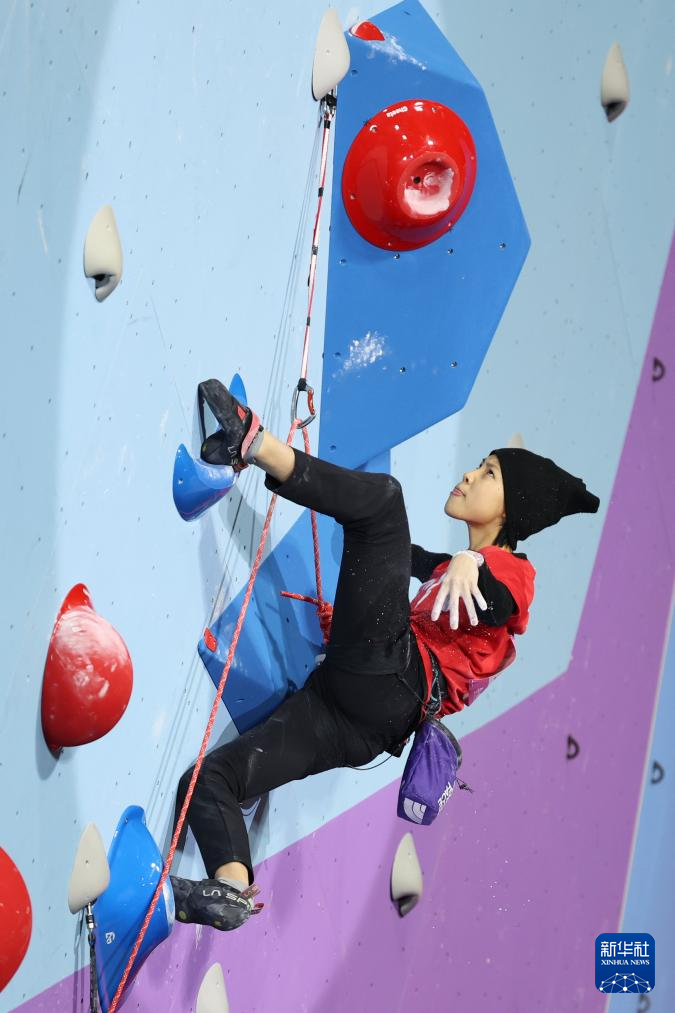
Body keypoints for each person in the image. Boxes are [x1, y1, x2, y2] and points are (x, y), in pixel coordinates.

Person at [170, 379, 600, 931]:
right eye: (479, 464)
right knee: (210, 781)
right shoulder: (447, 569)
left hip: (391, 683)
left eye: (490, 472)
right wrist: (354, 621)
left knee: (384, 503)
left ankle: (252, 442)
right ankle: (230, 887)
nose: (471, 474)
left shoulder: (512, 573)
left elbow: (500, 599)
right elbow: (397, 560)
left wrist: (471, 563)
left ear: (510, 508)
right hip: (360, 722)